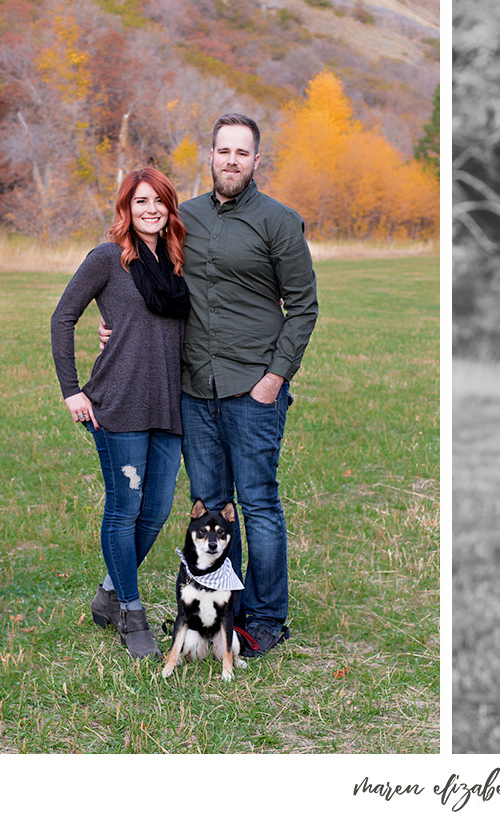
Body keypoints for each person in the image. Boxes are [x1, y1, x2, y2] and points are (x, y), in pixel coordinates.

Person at [101, 114, 318, 657]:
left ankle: (266, 621)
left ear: (256, 160)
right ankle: (228, 606)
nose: (231, 161)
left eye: (242, 153)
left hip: (253, 387)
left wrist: (275, 378)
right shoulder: (184, 218)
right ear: (211, 155)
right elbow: (145, 274)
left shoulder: (279, 222)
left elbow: (304, 307)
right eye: (223, 151)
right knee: (212, 504)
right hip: (194, 389)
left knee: (259, 504)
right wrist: (113, 324)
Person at [51, 168, 190, 660]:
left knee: (154, 511)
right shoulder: (109, 258)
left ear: (170, 208)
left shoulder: (177, 261)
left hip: (169, 405)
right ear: (126, 209)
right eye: (140, 202)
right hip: (118, 403)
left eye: (159, 201)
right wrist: (72, 390)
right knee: (124, 507)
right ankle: (131, 612)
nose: (150, 209)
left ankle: (109, 593)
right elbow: (64, 316)